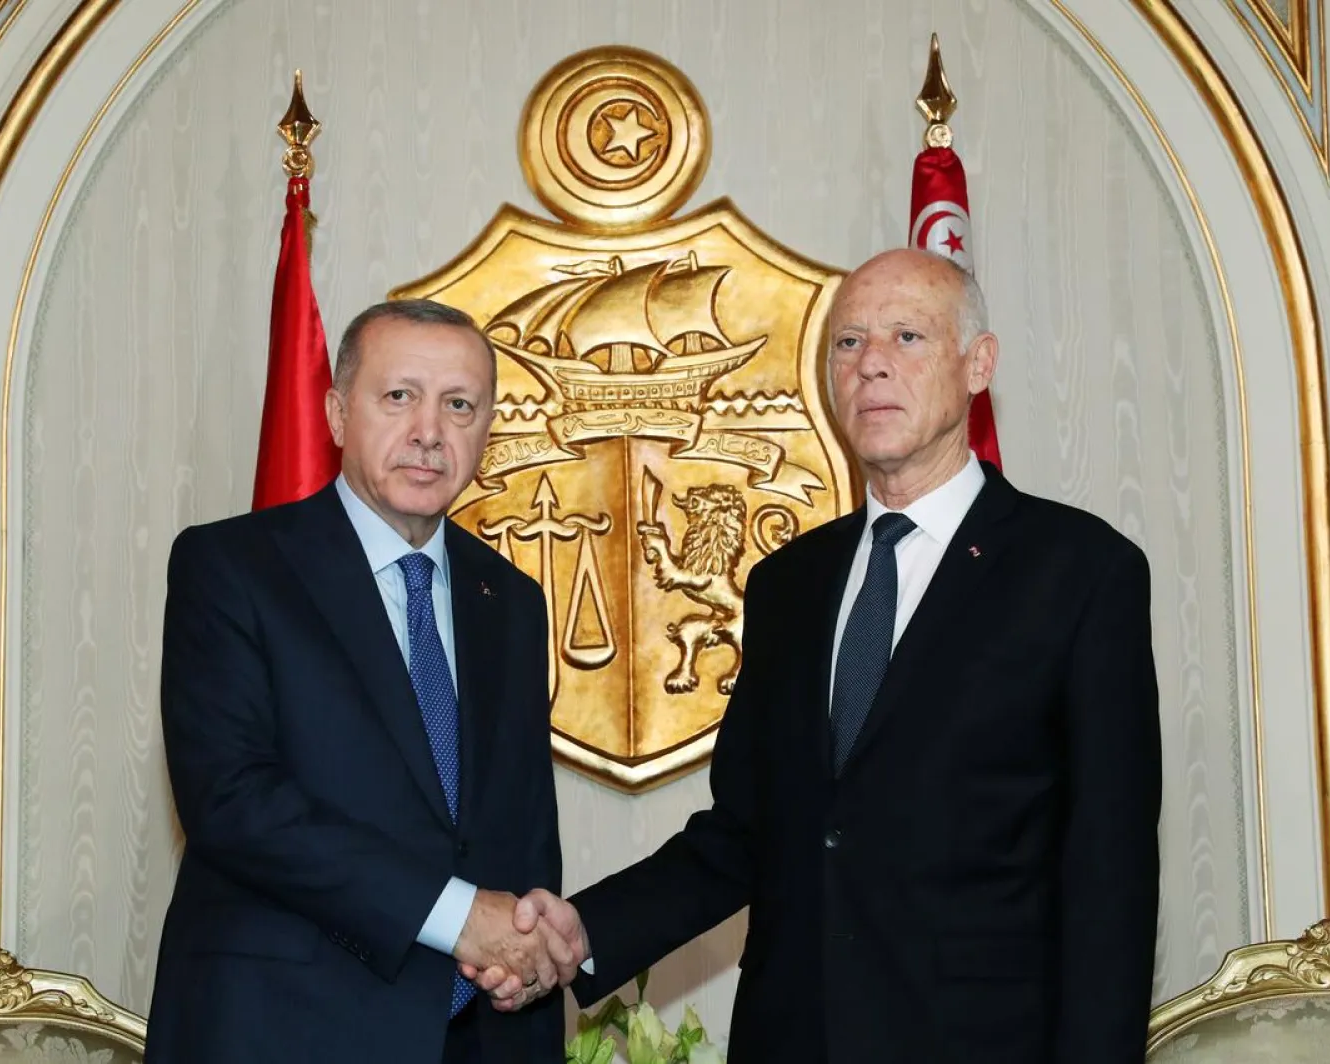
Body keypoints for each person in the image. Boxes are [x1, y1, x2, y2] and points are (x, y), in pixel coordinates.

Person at [474, 248, 1163, 1062]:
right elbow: (744, 834)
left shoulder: (1081, 572)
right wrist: (582, 932)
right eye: (848, 343)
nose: (872, 364)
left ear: (979, 364)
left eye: (908, 336)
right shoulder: (788, 584)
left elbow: (1110, 877)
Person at [146, 299, 575, 1064]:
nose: (428, 432)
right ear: (338, 414)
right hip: (284, 1030)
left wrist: (528, 948)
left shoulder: (509, 598)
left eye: (459, 405)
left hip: (483, 1033)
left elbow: (521, 829)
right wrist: (456, 915)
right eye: (399, 396)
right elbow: (233, 800)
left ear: (486, 429)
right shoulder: (233, 568)